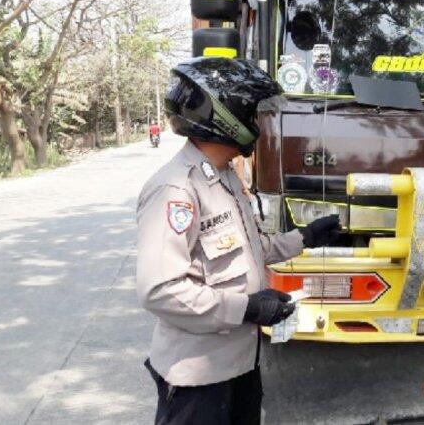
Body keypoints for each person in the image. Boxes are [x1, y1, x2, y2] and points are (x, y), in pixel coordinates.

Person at [136, 57, 341, 425]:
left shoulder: (225, 177)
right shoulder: (176, 189)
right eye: (254, 113)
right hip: (198, 376)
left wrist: (305, 238)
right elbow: (160, 290)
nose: (260, 123)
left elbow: (247, 250)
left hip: (240, 364)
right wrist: (247, 308)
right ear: (227, 116)